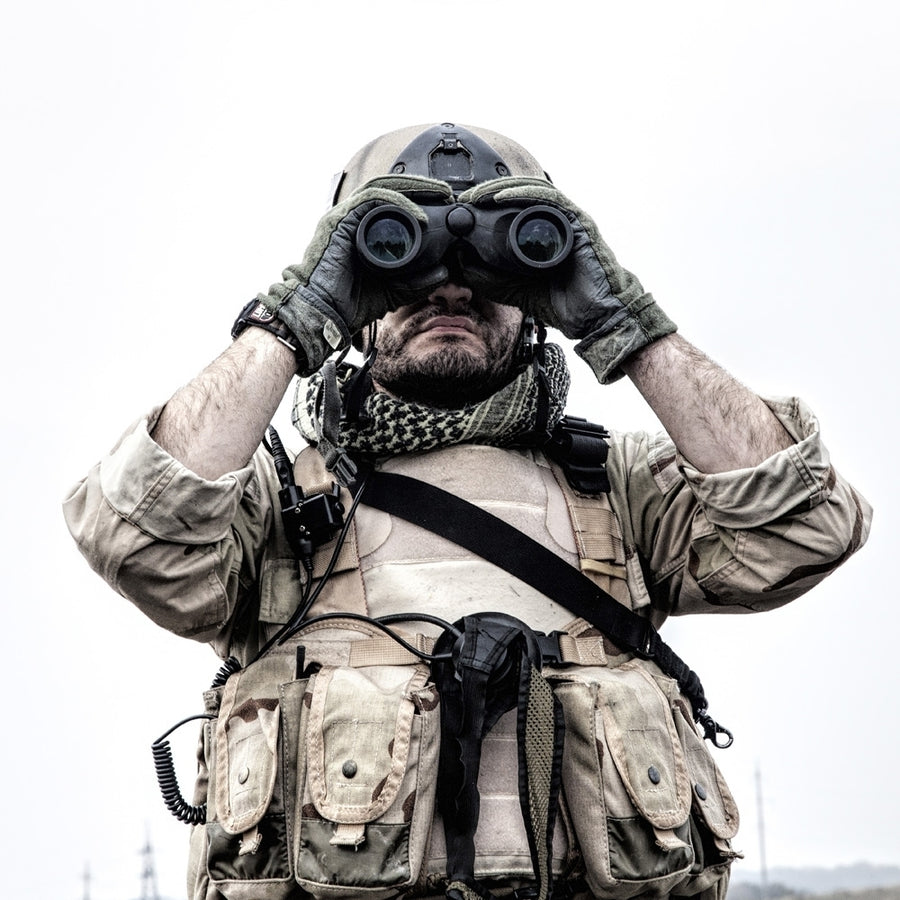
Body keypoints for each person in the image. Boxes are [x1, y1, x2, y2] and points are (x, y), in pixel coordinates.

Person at [63, 123, 872, 900]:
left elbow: (806, 524)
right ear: (354, 300)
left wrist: (626, 323)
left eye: (487, 267)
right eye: (402, 259)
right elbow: (136, 533)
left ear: (536, 302)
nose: (450, 286)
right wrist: (293, 315)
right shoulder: (272, 504)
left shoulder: (624, 489)